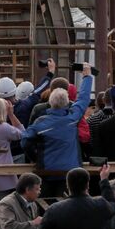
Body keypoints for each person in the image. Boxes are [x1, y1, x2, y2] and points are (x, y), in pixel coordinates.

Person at [21, 63, 94, 197]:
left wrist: (36, 156)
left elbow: (25, 140)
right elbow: (83, 98)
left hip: (47, 172)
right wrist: (87, 77)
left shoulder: (40, 123)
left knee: (45, 205)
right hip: (69, 172)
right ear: (67, 102)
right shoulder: (72, 118)